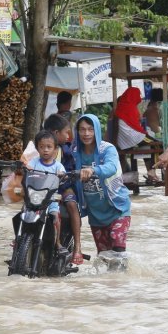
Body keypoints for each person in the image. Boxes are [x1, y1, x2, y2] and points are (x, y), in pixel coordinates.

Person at [74, 114, 132, 257]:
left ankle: (122, 278)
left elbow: (111, 167)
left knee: (118, 251)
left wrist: (93, 170)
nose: (86, 134)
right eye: (82, 130)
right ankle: (109, 280)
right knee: (104, 256)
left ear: (97, 131)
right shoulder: (75, 152)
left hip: (117, 208)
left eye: (90, 129)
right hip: (95, 215)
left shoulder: (107, 149)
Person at [43, 113, 84, 264]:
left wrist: (70, 175)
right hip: (43, 187)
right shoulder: (39, 147)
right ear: (55, 133)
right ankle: (20, 239)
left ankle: (77, 246)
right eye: (66, 132)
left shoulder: (66, 149)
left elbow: (72, 167)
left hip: (63, 186)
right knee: (27, 204)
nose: (69, 135)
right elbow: (28, 160)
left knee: (72, 205)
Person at [27, 129, 68, 256]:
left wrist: (62, 175)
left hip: (50, 200)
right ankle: (20, 238)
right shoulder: (33, 163)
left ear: (55, 149)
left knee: (55, 216)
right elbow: (27, 170)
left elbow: (65, 176)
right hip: (34, 197)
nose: (45, 150)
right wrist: (24, 169)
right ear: (37, 148)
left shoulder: (58, 166)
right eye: (42, 147)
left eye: (49, 147)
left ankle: (57, 242)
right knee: (24, 213)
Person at [114, 86, 160, 184]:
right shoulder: (131, 107)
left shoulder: (121, 106)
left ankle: (151, 173)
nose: (139, 97)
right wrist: (145, 134)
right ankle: (152, 170)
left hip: (123, 140)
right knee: (156, 143)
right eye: (138, 94)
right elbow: (136, 127)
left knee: (147, 146)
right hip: (133, 137)